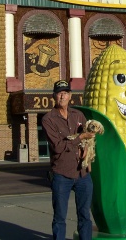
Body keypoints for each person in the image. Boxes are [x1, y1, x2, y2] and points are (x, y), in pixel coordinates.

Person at [42, 79, 96, 240]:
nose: (62, 96)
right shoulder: (48, 119)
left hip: (83, 174)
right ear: (54, 96)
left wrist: (87, 148)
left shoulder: (78, 115)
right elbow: (58, 147)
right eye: (59, 93)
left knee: (85, 215)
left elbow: (88, 138)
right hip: (61, 174)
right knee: (60, 217)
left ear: (70, 96)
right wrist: (80, 138)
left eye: (65, 93)